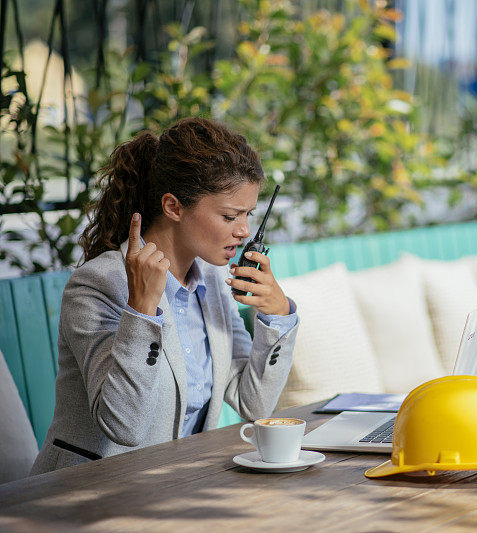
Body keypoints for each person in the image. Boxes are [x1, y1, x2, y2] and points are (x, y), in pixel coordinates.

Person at [30, 118, 298, 474]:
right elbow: (124, 426)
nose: (245, 231)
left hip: (175, 489)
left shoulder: (213, 283)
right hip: (89, 495)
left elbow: (255, 404)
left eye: (248, 214)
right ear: (173, 207)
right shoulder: (97, 284)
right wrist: (141, 311)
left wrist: (277, 317)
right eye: (230, 216)